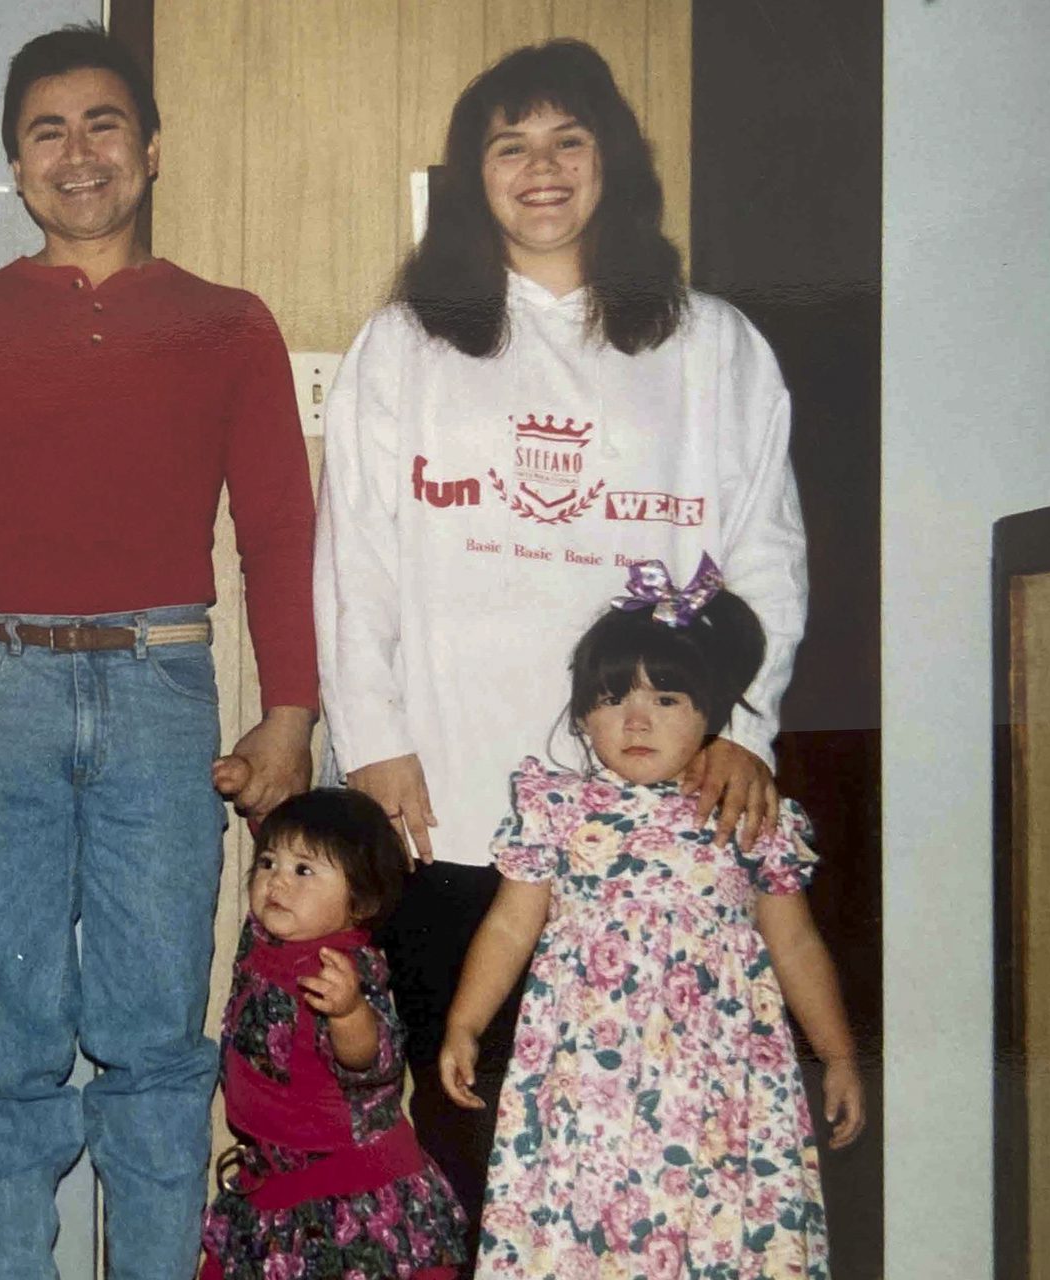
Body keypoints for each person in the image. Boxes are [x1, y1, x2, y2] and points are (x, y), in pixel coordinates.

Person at [0, 24, 319, 1280]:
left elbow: (274, 528)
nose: (79, 152)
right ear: (15, 167)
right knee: (2, 1048)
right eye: (46, 131)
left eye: (104, 123)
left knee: (159, 1043)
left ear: (150, 149)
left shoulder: (229, 325)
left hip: (164, 694)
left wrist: (292, 711)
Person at [312, 38, 808, 1239]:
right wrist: (375, 742)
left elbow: (767, 561)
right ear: (471, 176)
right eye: (509, 144)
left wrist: (745, 728)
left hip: (654, 823)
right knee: (468, 1128)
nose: (541, 169)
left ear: (614, 166)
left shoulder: (716, 348)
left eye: (568, 140)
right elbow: (356, 560)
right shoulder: (408, 343)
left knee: (650, 1145)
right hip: (455, 810)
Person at [436, 563, 862, 1278]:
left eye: (667, 698)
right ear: (580, 717)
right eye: (611, 699)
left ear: (715, 712)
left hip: (721, 1089)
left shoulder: (748, 813)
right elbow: (511, 927)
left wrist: (840, 1052)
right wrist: (464, 1024)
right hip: (586, 1087)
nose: (637, 720)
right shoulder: (558, 810)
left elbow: (793, 940)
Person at [199, 786, 467, 1280]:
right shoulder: (264, 937)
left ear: (361, 901)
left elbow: (370, 1058)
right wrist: (254, 780)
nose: (277, 881)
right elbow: (280, 829)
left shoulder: (346, 970)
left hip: (350, 1200)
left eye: (304, 871)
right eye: (267, 864)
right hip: (274, 1181)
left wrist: (348, 1015)